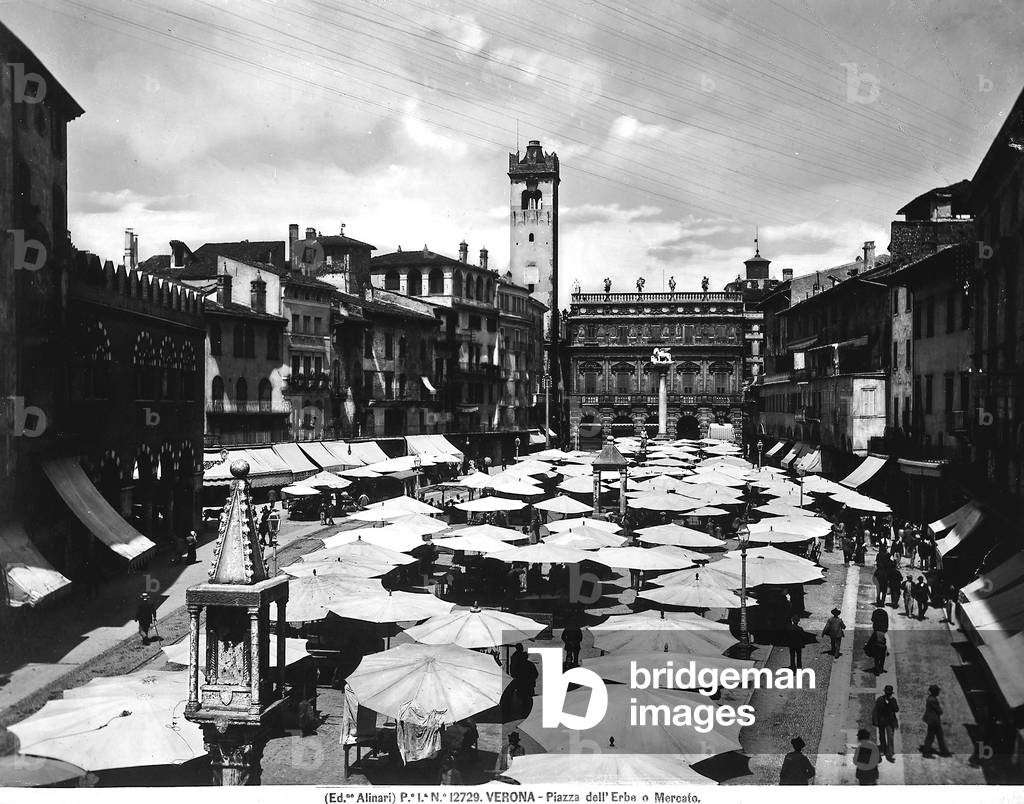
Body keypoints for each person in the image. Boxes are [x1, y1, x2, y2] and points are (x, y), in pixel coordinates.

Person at [921, 684, 951, 757]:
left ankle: (944, 752)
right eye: (937, 691)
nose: (938, 692)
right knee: (931, 737)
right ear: (934, 691)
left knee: (938, 736)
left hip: (933, 720)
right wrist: (940, 710)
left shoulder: (930, 698)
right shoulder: (932, 700)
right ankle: (927, 753)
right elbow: (939, 710)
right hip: (933, 721)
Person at [872, 685, 900, 762]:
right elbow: (876, 710)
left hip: (890, 722)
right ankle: (883, 750)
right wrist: (875, 720)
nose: (888, 694)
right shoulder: (880, 699)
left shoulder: (893, 700)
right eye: (887, 693)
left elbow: (896, 709)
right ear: (885, 692)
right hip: (881, 721)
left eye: (889, 693)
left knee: (890, 738)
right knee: (882, 737)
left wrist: (891, 701)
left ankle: (890, 753)